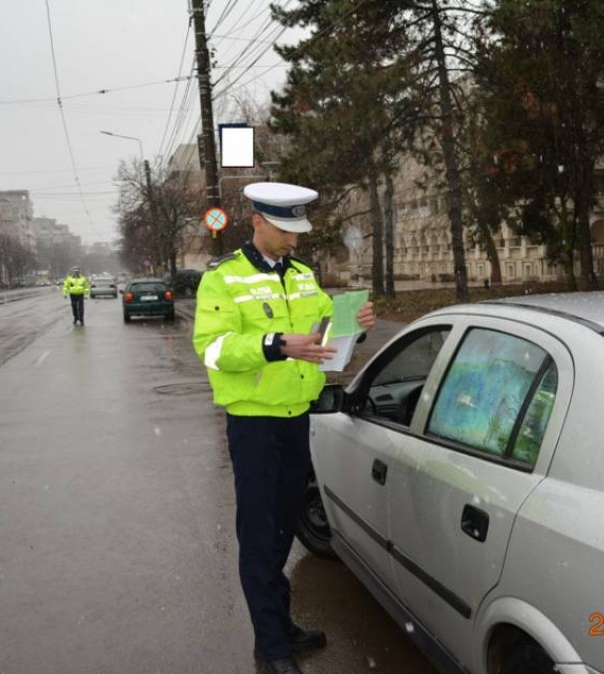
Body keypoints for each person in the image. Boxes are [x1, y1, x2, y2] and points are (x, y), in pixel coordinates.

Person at [192, 182, 375, 674]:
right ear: (258, 222)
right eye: (286, 231)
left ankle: (281, 625)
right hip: (254, 424)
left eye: (299, 231)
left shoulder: (301, 276)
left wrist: (354, 324)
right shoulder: (223, 279)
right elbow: (211, 349)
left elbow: (324, 338)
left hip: (297, 420)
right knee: (259, 535)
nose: (295, 242)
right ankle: (272, 647)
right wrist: (275, 344)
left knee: (280, 528)